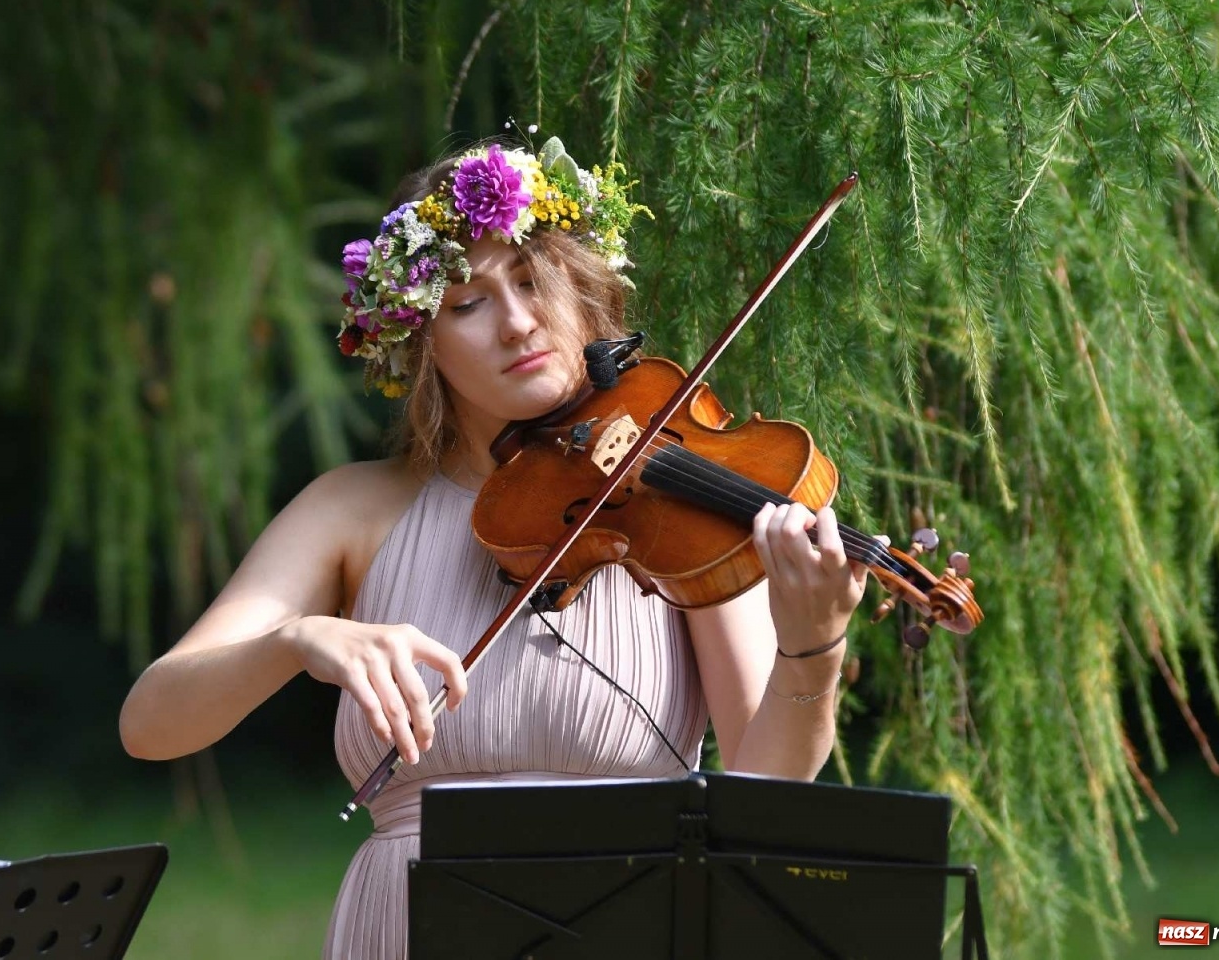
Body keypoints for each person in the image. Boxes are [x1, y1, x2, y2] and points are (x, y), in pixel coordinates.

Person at [117, 137, 869, 958]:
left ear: (584, 293)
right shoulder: (350, 510)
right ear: (421, 342)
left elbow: (764, 796)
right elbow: (151, 722)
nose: (517, 323)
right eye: (468, 303)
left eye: (533, 281)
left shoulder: (672, 507)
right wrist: (298, 640)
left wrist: (813, 648)